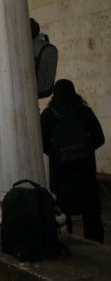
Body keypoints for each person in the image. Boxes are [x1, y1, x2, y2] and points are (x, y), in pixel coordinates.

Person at [41, 79, 105, 243]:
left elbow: (43, 144)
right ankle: (96, 242)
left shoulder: (48, 115)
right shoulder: (84, 112)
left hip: (60, 170)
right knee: (90, 210)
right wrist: (86, 150)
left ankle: (67, 240)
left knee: (63, 208)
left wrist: (57, 153)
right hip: (85, 168)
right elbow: (99, 138)